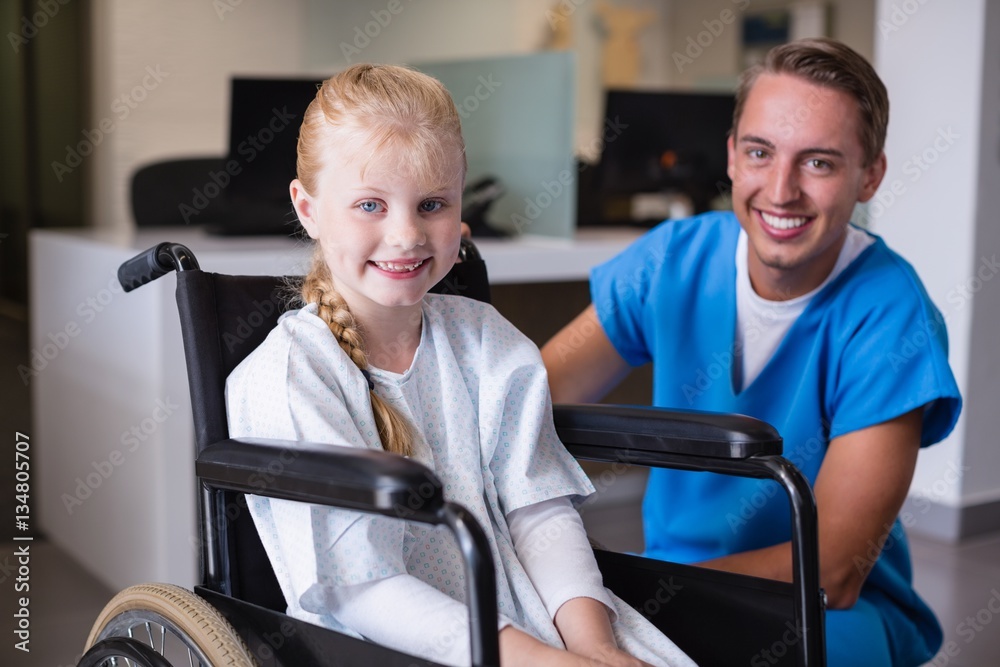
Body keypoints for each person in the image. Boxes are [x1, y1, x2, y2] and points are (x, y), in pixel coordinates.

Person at [225, 64, 696, 667]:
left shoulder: (488, 342)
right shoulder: (292, 376)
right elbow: (362, 589)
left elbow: (539, 513)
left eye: (432, 204)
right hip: (377, 646)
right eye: (370, 204)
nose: (406, 235)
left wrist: (594, 647)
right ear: (308, 208)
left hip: (533, 620)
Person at [542, 38, 961, 667]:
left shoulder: (889, 314)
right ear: (734, 155)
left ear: (869, 173)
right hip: (667, 585)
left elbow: (837, 570)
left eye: (818, 163)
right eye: (761, 153)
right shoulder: (671, 261)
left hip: (821, 610)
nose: (782, 190)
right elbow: (527, 403)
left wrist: (637, 595)